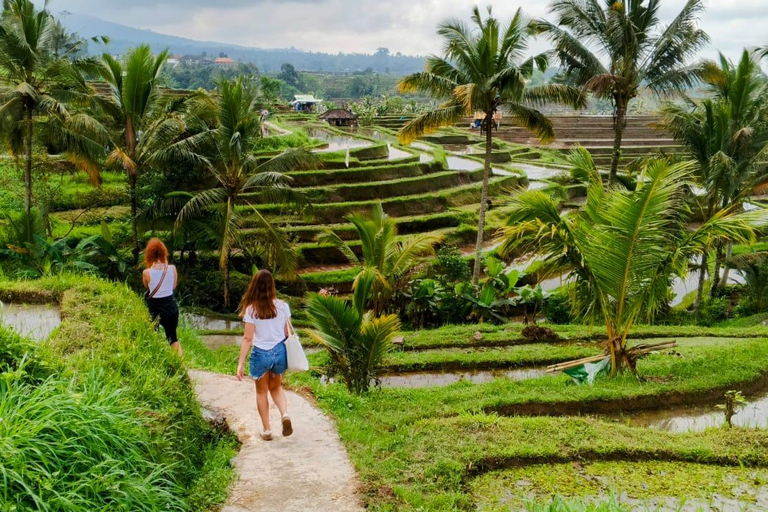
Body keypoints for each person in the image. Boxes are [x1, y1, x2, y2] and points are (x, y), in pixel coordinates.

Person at [236, 269, 293, 441]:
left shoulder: (251, 310)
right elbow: (286, 333)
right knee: (276, 387)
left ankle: (267, 430)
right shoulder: (283, 306)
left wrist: (240, 363)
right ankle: (285, 414)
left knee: (262, 392)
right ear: (272, 286)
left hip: (261, 354)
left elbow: (247, 338)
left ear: (255, 286)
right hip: (279, 352)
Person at [142, 238, 182, 356]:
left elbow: (148, 287)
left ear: (149, 255)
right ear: (164, 253)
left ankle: (155, 362)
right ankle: (181, 367)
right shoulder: (172, 269)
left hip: (154, 308)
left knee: (153, 336)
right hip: (170, 307)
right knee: (173, 339)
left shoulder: (146, 272)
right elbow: (173, 286)